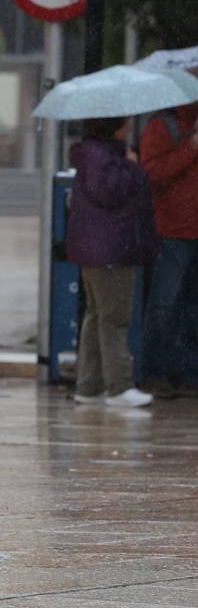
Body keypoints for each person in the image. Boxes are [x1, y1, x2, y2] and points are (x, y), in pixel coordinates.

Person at [65, 118, 156, 408]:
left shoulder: (93, 155)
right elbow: (112, 192)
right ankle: (118, 386)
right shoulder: (104, 158)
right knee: (115, 318)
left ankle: (89, 386)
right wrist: (131, 164)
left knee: (96, 316)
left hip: (95, 250)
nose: (129, 128)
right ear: (113, 128)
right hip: (111, 251)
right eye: (125, 124)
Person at [138, 102, 198, 396]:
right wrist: (191, 148)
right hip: (173, 231)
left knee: (193, 309)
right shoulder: (162, 126)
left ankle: (189, 375)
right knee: (164, 304)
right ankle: (154, 373)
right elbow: (152, 175)